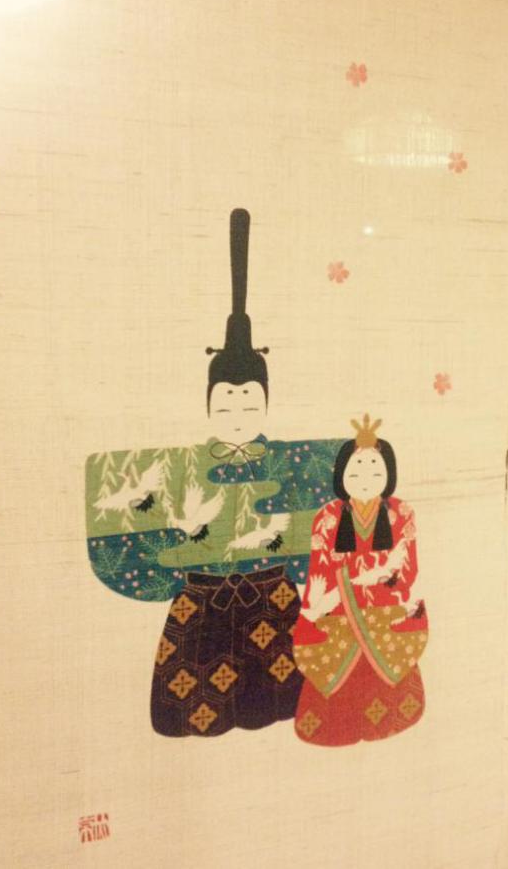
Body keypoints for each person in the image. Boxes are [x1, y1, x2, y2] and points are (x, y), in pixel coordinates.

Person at [84, 209, 345, 736]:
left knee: (276, 691)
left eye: (250, 405)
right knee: (201, 691)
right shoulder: (185, 466)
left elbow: (339, 488)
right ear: (208, 406)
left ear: (266, 404)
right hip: (204, 599)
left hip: (272, 594)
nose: (238, 416)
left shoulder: (288, 461)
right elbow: (123, 496)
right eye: (225, 405)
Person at [292, 415, 428, 746]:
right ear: (341, 476)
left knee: (389, 675)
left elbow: (406, 569)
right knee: (336, 676)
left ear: (389, 475)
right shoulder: (327, 517)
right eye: (356, 471)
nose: (365, 478)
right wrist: (321, 603)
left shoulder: (401, 513)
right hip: (338, 611)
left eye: (375, 471)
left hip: (385, 608)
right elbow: (320, 569)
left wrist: (371, 580)